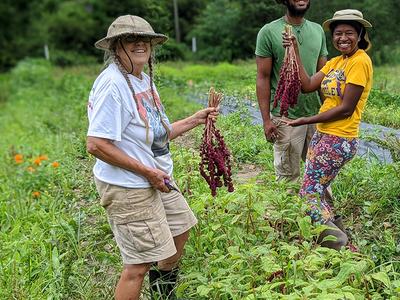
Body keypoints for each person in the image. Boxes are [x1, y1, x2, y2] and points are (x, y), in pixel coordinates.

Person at [86, 15, 218, 300]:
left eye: (144, 39)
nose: (139, 45)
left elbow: (157, 133)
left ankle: (163, 295)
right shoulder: (113, 84)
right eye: (131, 39)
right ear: (115, 47)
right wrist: (147, 172)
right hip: (129, 186)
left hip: (156, 179)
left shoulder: (141, 79)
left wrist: (195, 119)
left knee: (181, 229)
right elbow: (96, 144)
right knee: (138, 264)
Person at [282, 9, 373, 250]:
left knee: (308, 194)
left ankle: (337, 243)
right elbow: (307, 85)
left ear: (360, 34)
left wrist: (306, 120)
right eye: (338, 33)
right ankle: (345, 246)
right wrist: (295, 51)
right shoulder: (336, 62)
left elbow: (346, 108)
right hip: (325, 135)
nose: (343, 38)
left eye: (349, 33)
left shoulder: (360, 61)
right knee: (318, 192)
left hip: (339, 138)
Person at [255, 0, 328, 190]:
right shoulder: (269, 31)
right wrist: (266, 120)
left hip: (315, 116)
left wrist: (329, 112)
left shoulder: (318, 30)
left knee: (321, 174)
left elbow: (323, 75)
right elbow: (263, 77)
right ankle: (288, 220)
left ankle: (325, 217)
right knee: (288, 178)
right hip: (285, 118)